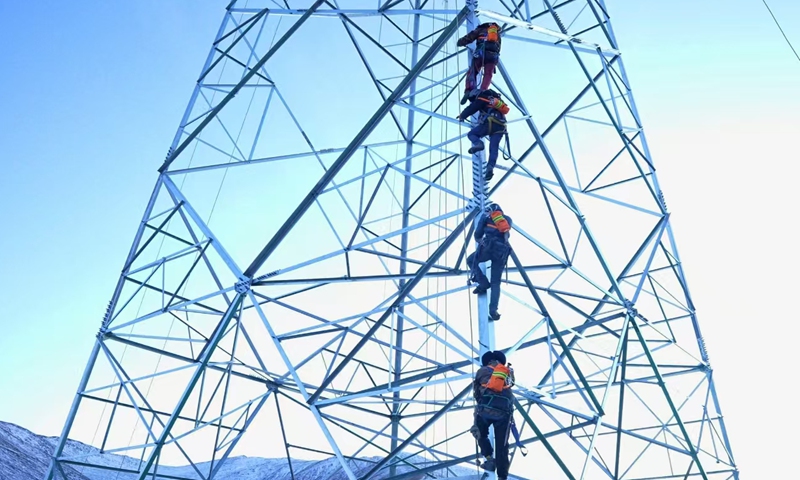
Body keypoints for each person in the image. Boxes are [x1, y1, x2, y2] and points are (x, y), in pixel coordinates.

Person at [471, 350, 514, 480]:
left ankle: (489, 458)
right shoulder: (508, 371)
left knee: (479, 432)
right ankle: (502, 476)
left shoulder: (482, 371)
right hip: (504, 411)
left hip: (486, 409)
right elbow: (511, 385)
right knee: (502, 445)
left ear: (487, 361)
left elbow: (477, 393)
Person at [466, 203, 512, 321]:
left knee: (471, 260)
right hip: (502, 252)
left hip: (488, 248)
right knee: (496, 282)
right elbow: (507, 234)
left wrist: (483, 220)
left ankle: (483, 283)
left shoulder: (486, 217)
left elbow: (477, 234)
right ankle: (493, 310)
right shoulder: (507, 219)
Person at [456, 89, 509, 181]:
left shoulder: (482, 98)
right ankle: (490, 167)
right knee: (494, 147)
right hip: (500, 126)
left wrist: (462, 116)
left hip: (489, 124)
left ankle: (479, 144)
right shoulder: (498, 101)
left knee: (472, 134)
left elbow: (472, 108)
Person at [457, 22, 502, 105]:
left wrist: (460, 42)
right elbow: (498, 48)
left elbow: (469, 37)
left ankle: (469, 90)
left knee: (473, 71)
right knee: (488, 74)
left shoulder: (480, 29)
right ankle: (483, 91)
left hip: (481, 52)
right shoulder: (497, 34)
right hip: (493, 56)